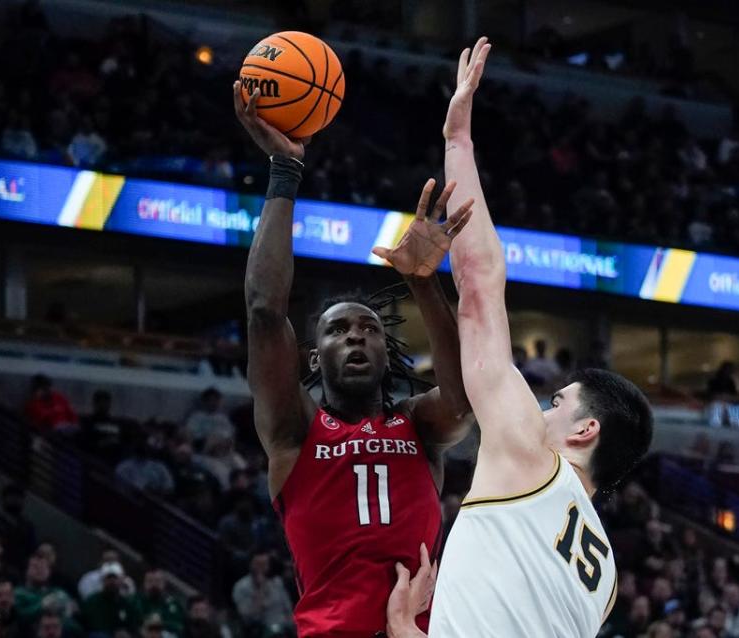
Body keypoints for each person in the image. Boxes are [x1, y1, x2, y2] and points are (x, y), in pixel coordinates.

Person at [386, 37, 653, 638]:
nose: (538, 405)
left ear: (586, 431)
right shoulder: (605, 578)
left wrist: (458, 142)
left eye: (556, 402)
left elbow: (480, 284)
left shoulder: (531, 457)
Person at [234, 76, 475, 637]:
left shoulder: (418, 426)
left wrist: (422, 284)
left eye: (368, 329)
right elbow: (265, 312)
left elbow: (465, 398)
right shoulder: (294, 432)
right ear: (315, 359)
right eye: (338, 330)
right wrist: (284, 175)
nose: (356, 337)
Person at [231, 553, 293, 635]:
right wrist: (260, 589)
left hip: (285, 626)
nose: (261, 568)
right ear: (251, 565)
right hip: (261, 629)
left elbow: (288, 607)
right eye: (258, 564)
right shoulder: (241, 587)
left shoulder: (277, 581)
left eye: (264, 564)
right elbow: (249, 617)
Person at [80, 562, 141, 636]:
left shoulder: (126, 604)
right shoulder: (91, 601)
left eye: (115, 578)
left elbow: (132, 626)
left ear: (121, 580)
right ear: (102, 580)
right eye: (108, 578)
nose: (112, 582)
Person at [135, 569, 183, 637]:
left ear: (164, 583)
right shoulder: (136, 601)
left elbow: (179, 626)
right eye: (150, 581)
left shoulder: (174, 603)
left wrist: (160, 623)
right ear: (144, 583)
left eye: (157, 581)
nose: (154, 585)